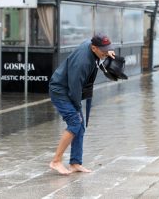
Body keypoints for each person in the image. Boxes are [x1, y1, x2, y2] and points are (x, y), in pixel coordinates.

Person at [49, 33, 115, 175]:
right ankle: (56, 161)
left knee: (80, 127)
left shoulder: (92, 45)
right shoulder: (82, 63)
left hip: (68, 88)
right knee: (75, 123)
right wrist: (78, 108)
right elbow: (75, 89)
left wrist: (107, 51)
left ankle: (75, 163)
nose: (105, 52)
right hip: (61, 91)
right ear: (93, 48)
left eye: (107, 48)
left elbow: (95, 43)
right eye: (103, 50)